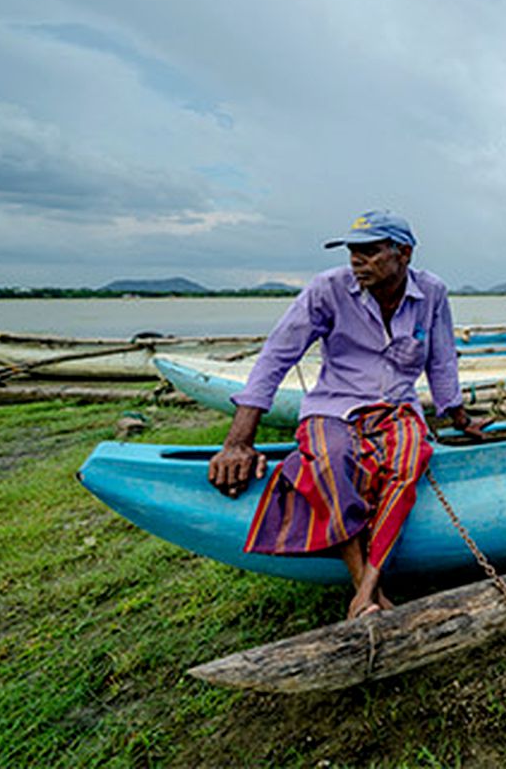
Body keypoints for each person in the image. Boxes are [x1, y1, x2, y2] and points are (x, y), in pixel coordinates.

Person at [207, 209, 483, 619]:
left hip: (398, 406)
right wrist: (238, 441)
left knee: (409, 461)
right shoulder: (328, 289)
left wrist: (459, 418)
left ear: (403, 253)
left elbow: (441, 362)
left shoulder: (432, 293)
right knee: (331, 462)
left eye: (369, 252)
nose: (356, 261)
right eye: (353, 252)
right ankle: (365, 590)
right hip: (333, 405)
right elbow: (276, 357)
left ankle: (368, 586)